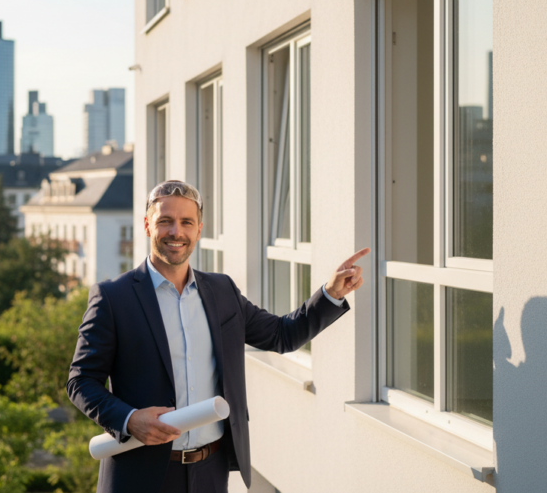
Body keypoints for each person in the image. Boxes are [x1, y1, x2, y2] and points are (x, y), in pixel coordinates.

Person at [67, 180, 368, 493]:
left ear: (199, 229)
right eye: (165, 221)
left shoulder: (222, 291)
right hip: (140, 475)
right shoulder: (113, 297)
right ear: (147, 225)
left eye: (186, 222)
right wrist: (129, 420)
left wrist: (331, 293)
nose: (176, 232)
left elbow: (282, 335)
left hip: (211, 472)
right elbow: (81, 381)